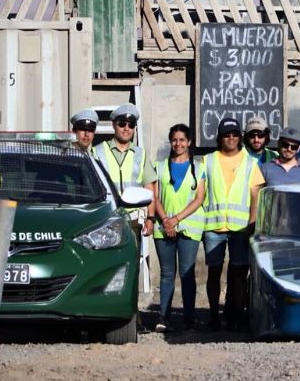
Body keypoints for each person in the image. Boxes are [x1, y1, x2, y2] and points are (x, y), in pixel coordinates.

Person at [202, 117, 266, 331]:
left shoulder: (250, 163)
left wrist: (252, 224)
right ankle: (213, 316)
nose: (231, 138)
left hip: (240, 228)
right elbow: (200, 193)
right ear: (219, 137)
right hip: (214, 226)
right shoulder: (208, 160)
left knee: (238, 274)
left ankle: (235, 317)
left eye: (235, 134)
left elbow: (255, 196)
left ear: (240, 137)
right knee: (214, 273)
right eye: (227, 134)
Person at [149, 124, 205, 333]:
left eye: (182, 140)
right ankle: (164, 317)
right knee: (166, 273)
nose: (178, 144)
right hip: (163, 226)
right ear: (170, 141)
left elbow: (199, 198)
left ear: (189, 142)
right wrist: (165, 220)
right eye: (174, 140)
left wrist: (177, 219)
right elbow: (154, 195)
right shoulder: (160, 166)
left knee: (187, 273)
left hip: (189, 227)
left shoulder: (199, 168)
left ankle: (189, 319)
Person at [93, 104, 157, 240]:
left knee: (132, 260)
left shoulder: (141, 154)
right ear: (113, 125)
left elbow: (149, 188)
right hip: (105, 218)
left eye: (131, 125)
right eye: (122, 124)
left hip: (133, 220)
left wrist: (151, 218)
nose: (127, 128)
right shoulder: (97, 151)